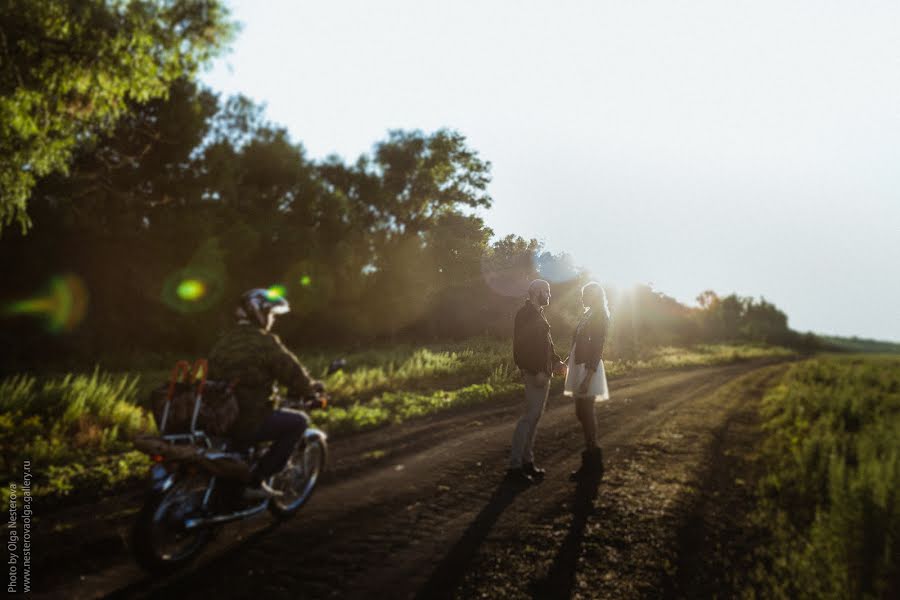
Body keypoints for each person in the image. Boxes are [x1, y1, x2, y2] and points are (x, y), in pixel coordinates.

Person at [208, 288, 322, 500]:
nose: (271, 319)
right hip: (249, 417)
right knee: (298, 422)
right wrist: (310, 389)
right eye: (270, 314)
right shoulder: (263, 341)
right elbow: (291, 372)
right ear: (258, 312)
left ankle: (231, 486)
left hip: (218, 418)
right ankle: (256, 480)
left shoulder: (222, 342)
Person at [509, 279, 567, 484]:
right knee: (529, 417)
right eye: (547, 291)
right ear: (535, 292)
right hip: (535, 374)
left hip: (544, 373)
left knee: (534, 419)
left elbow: (547, 346)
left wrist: (557, 362)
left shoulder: (539, 314)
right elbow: (520, 349)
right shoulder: (525, 315)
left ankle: (527, 462)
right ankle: (515, 467)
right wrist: (537, 371)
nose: (549, 295)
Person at [563, 282, 610, 481]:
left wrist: (589, 376)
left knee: (586, 413)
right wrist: (567, 360)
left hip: (588, 368)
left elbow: (597, 347)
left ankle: (592, 464)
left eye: (585, 294)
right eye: (582, 294)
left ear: (595, 296)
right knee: (581, 413)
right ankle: (593, 459)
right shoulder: (588, 314)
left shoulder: (600, 315)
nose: (582, 297)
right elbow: (578, 343)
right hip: (578, 365)